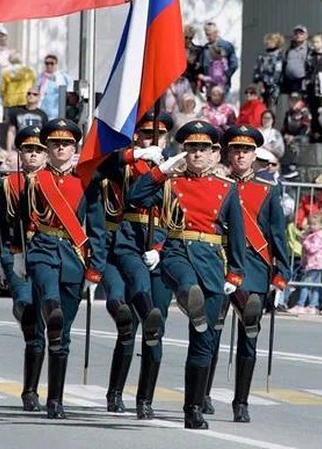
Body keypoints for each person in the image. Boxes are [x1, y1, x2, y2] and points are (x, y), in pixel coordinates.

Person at [127, 120, 246, 430]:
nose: (196, 153)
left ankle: (192, 408)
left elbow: (237, 236)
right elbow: (135, 197)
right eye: (191, 148)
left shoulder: (227, 189)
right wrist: (162, 170)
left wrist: (235, 274)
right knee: (186, 282)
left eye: (203, 148)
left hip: (211, 260)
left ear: (215, 154)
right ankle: (186, 295)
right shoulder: (171, 183)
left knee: (203, 341)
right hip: (177, 252)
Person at [17, 119, 107, 419]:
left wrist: (96, 268)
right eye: (55, 143)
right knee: (51, 306)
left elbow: (97, 228)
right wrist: (18, 254)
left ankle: (55, 400)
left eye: (66, 144)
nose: (60, 148)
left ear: (75, 148)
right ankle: (32, 388)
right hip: (42, 249)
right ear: (48, 147)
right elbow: (23, 218)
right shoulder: (35, 179)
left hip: (72, 255)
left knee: (62, 334)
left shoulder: (86, 181)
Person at [96, 112, 169, 417]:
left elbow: (180, 217)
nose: (154, 140)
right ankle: (115, 394)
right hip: (121, 246)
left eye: (159, 136)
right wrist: (137, 155)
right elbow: (102, 164)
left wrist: (161, 247)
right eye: (147, 134)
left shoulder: (174, 172)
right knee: (127, 323)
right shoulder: (124, 166)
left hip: (157, 252)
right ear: (136, 136)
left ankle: (145, 399)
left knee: (154, 326)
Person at [216, 124, 289, 424]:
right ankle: (202, 394)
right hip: (219, 263)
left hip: (255, 266)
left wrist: (281, 272)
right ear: (228, 153)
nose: (241, 155)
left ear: (254, 154)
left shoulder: (268, 187)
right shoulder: (217, 183)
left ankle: (241, 402)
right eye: (236, 150)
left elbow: (277, 233)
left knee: (249, 331)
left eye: (246, 150)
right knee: (210, 330)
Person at [0, 125, 47, 411]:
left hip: (49, 256)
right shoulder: (7, 185)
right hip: (16, 256)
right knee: (30, 315)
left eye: (39, 150)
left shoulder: (55, 183)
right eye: (28, 150)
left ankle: (43, 389)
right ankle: (30, 392)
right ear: (20, 154)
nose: (33, 155)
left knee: (50, 321)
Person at [292, 212, 322, 315]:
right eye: (310, 224)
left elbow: (313, 249)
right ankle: (312, 305)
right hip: (312, 263)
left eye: (314, 224)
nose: (311, 226)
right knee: (314, 285)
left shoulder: (318, 236)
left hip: (314, 263)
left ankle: (301, 305)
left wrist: (305, 242)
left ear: (321, 225)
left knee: (305, 284)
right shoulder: (314, 235)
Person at [200, 22, 238, 95]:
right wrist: (202, 82)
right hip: (209, 86)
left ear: (216, 33)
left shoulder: (226, 46)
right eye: (206, 35)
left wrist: (225, 76)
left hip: (222, 86)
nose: (208, 37)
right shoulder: (205, 48)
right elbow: (203, 66)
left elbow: (234, 64)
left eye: (209, 35)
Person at [252, 33, 285, 110]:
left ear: (277, 42)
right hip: (262, 86)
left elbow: (278, 72)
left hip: (273, 86)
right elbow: (256, 70)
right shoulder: (262, 56)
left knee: (271, 106)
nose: (268, 42)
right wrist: (258, 83)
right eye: (267, 41)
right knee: (260, 106)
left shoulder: (279, 57)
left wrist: (270, 83)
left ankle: (270, 121)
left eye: (271, 41)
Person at [36, 54, 71, 119]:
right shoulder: (40, 77)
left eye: (52, 63)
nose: (49, 66)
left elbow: (69, 93)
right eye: (47, 63)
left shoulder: (63, 77)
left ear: (56, 64)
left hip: (56, 113)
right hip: (42, 111)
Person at [280, 25, 309, 99]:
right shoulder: (289, 49)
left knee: (301, 103)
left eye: (301, 33)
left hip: (301, 81)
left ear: (306, 35)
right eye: (296, 34)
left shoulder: (309, 49)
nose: (298, 35)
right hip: (290, 81)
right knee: (292, 103)